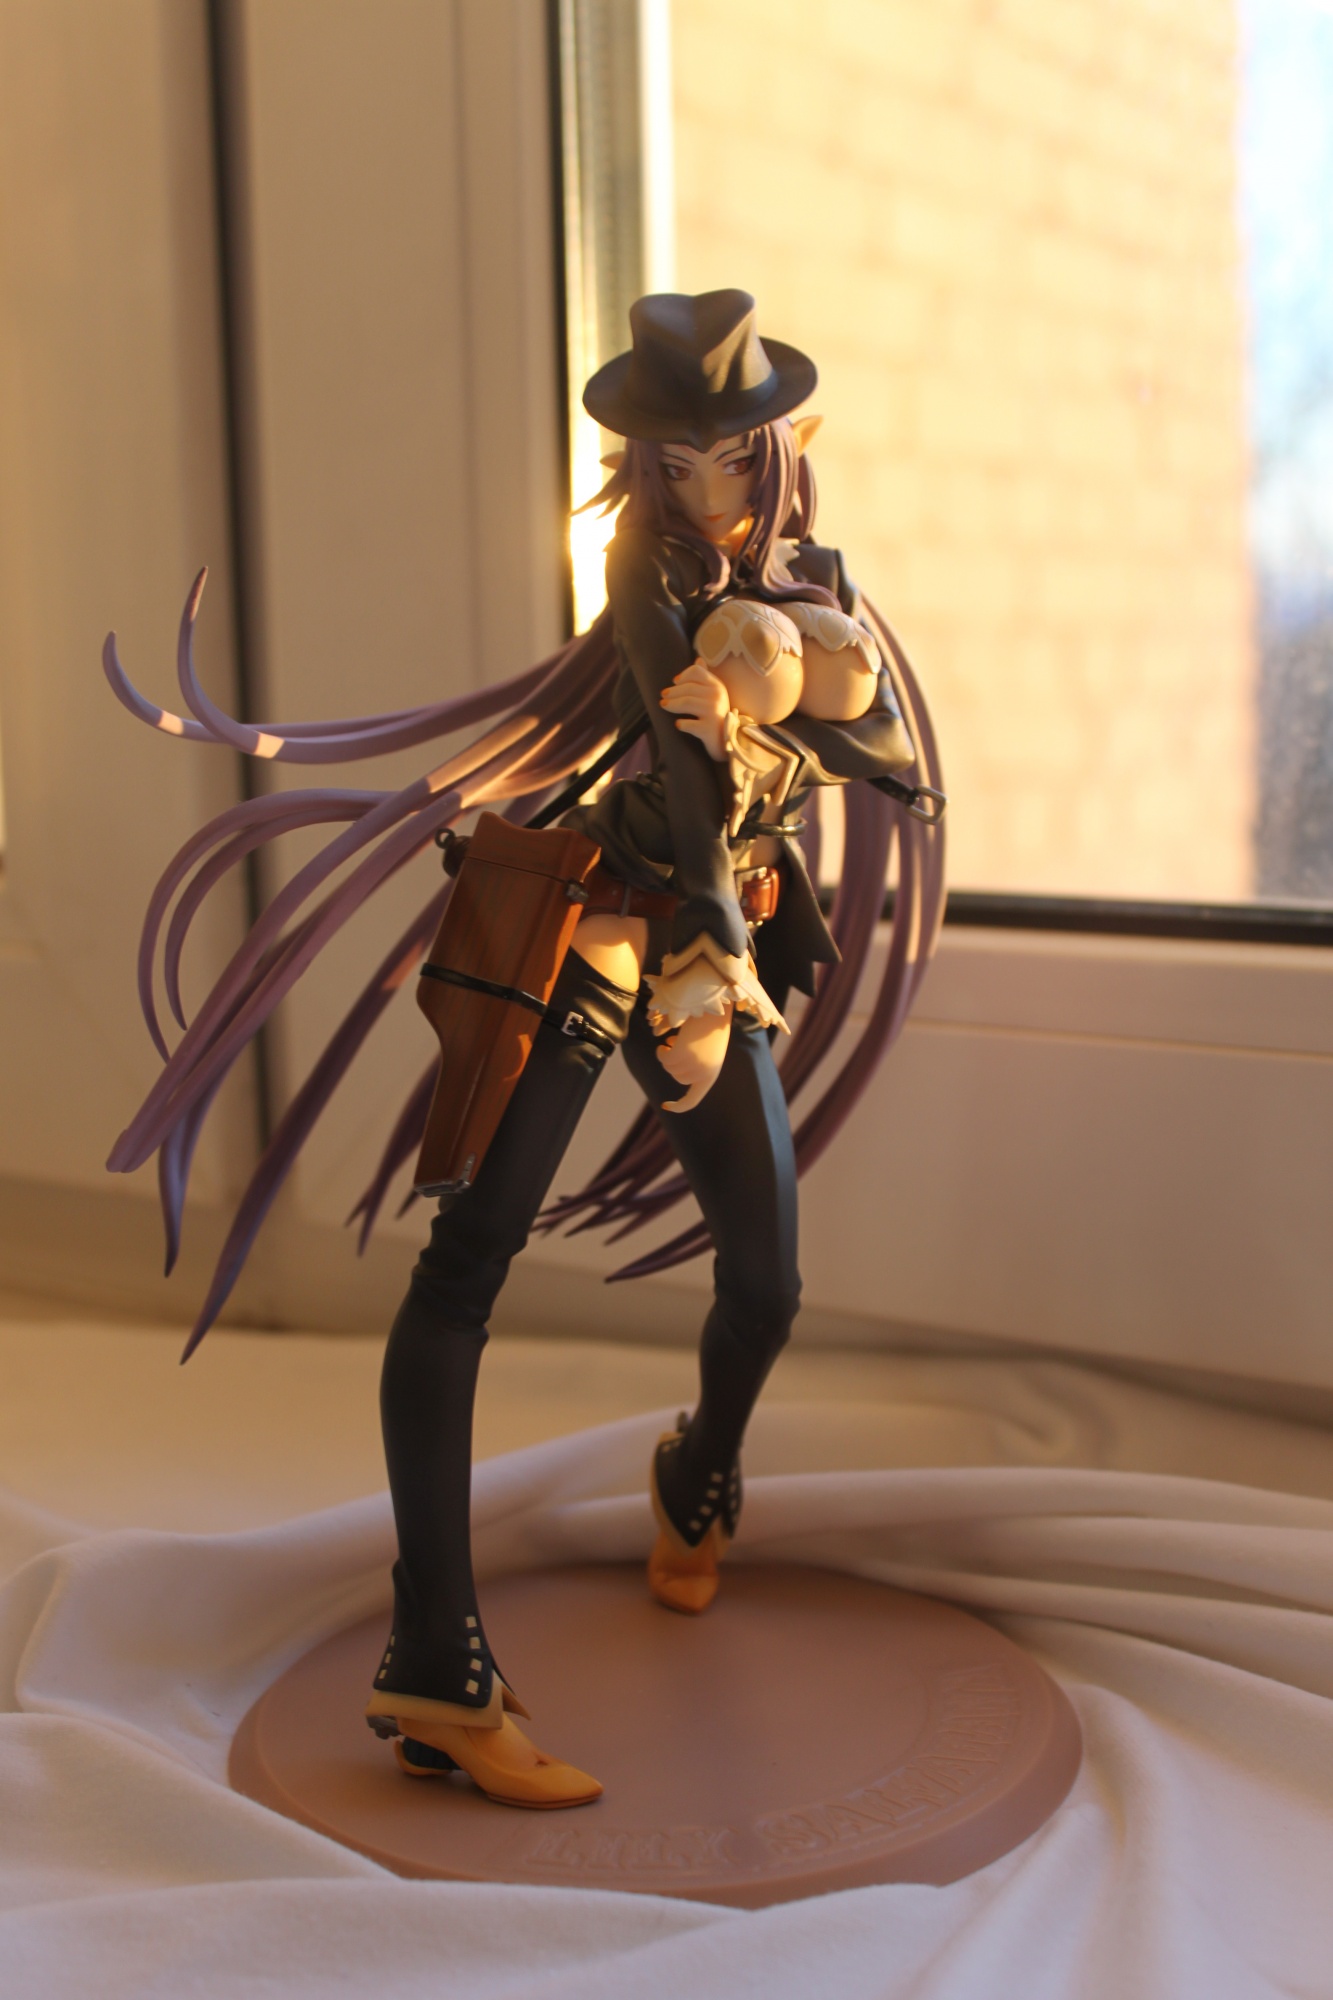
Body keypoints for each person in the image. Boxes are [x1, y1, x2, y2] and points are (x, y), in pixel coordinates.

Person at [101, 289, 946, 1811]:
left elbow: (888, 761)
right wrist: (715, 895)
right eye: (674, 462)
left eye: (731, 457)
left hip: (713, 953)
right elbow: (678, 769)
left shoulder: (814, 582)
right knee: (464, 1269)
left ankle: (696, 1470)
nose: (707, 488)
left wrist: (800, 702)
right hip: (605, 931)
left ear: (777, 450)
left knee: (765, 1283)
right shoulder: (641, 572)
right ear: (643, 467)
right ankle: (436, 1662)